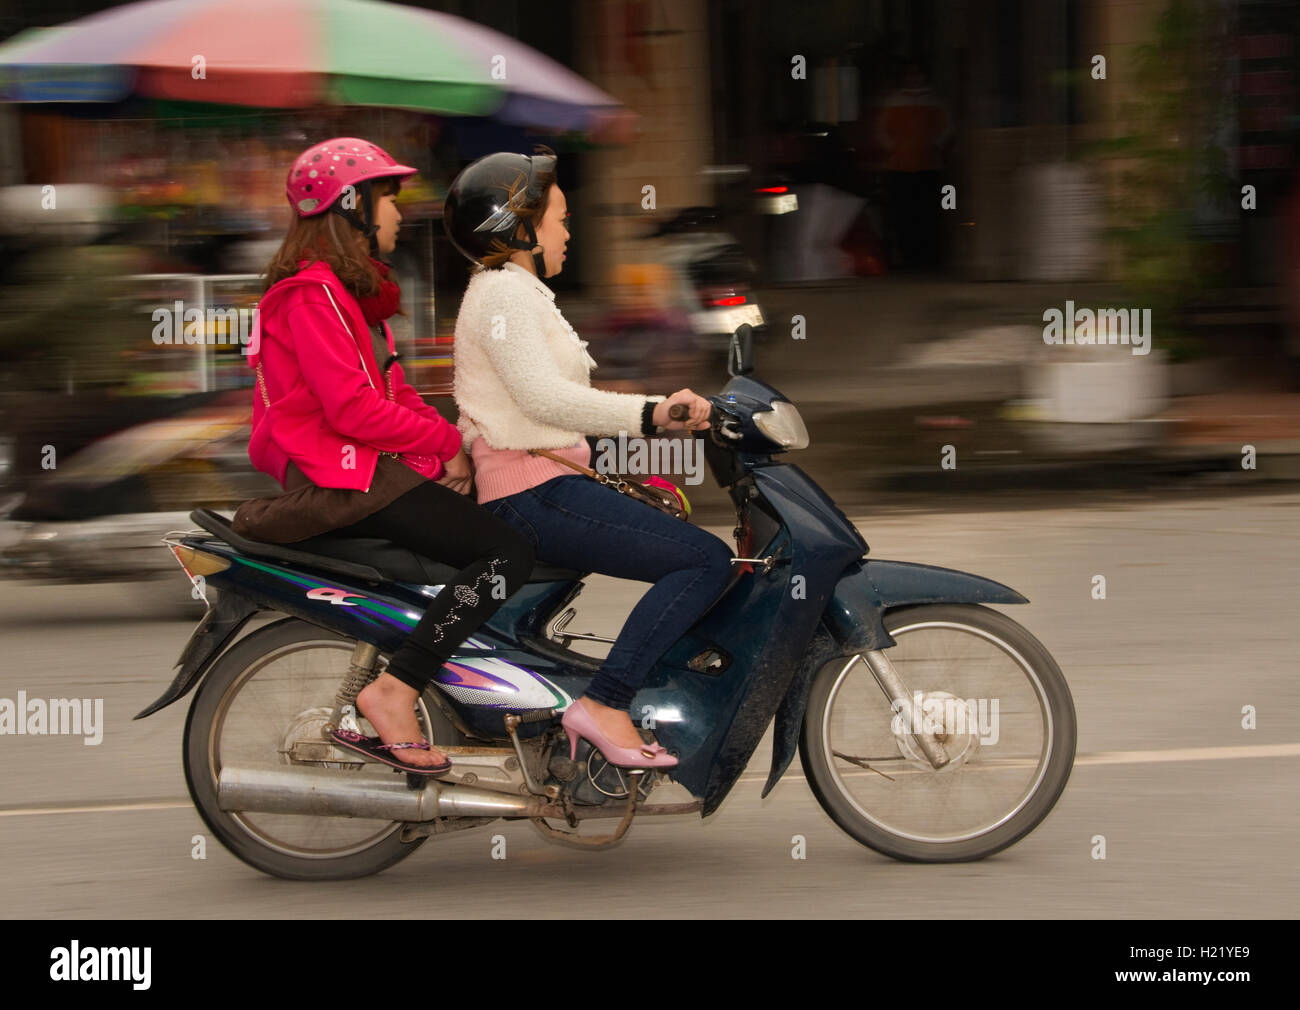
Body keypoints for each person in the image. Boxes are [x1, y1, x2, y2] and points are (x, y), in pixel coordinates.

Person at [233, 137, 534, 775]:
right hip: (340, 475)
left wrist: (464, 444)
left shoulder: (351, 298)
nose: (399, 213)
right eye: (388, 200)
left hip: (365, 466)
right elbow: (351, 412)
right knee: (504, 554)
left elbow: (393, 392)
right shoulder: (310, 296)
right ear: (352, 208)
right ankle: (397, 690)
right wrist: (446, 446)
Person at [444, 147, 735, 769]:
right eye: (560, 219)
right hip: (534, 492)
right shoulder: (504, 295)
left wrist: (651, 431)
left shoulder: (510, 292)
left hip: (542, 481)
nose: (568, 232)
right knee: (704, 560)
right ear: (518, 226)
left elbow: (492, 401)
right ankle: (606, 703)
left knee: (695, 551)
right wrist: (654, 413)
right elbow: (543, 398)